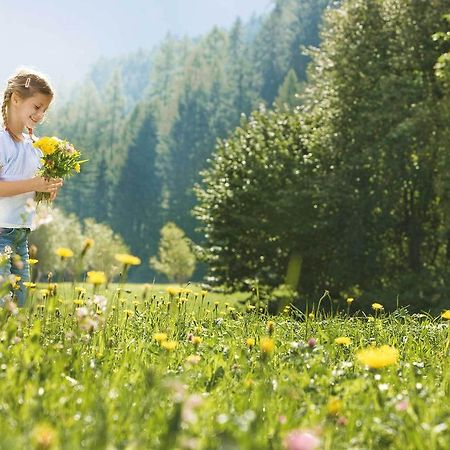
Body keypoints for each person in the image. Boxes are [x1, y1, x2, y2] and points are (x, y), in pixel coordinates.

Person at [0, 68, 63, 306]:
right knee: (3, 303)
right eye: (36, 107)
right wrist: (34, 183)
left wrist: (47, 187)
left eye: (44, 110)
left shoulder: (33, 146)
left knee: (21, 305)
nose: (40, 115)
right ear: (16, 99)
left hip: (21, 235)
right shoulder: (2, 140)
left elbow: (31, 188)